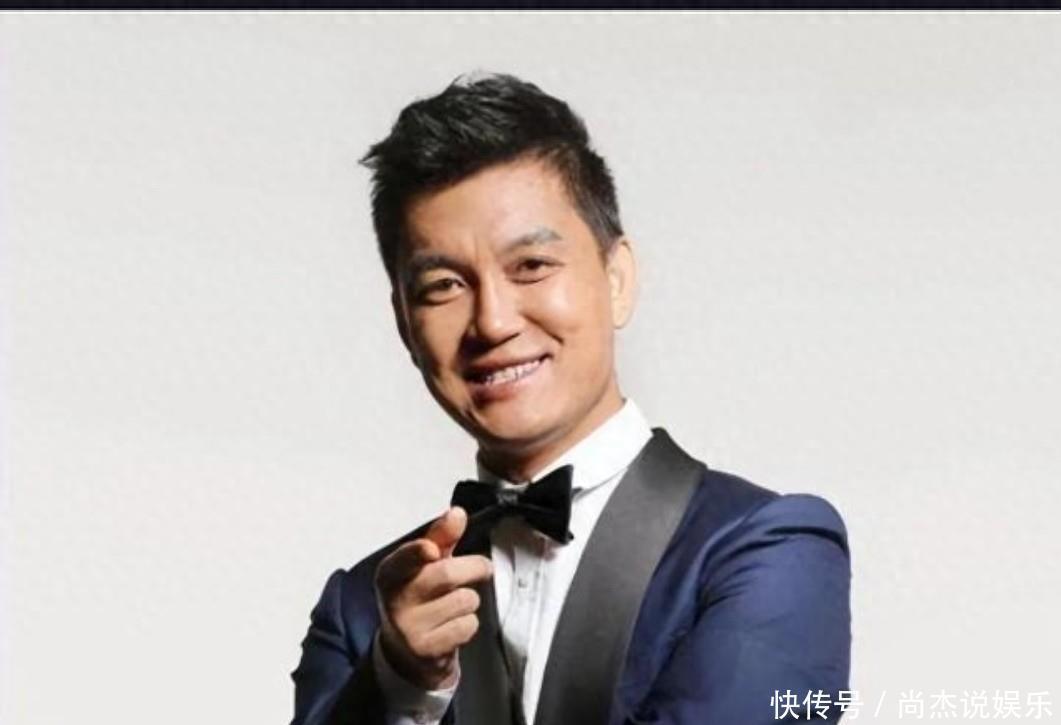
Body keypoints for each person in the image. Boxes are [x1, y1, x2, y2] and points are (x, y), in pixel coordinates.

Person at [290, 72, 851, 725]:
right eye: (443, 286)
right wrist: (402, 683)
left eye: (530, 266)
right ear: (403, 323)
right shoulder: (361, 610)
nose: (492, 322)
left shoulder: (771, 549)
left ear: (617, 279)